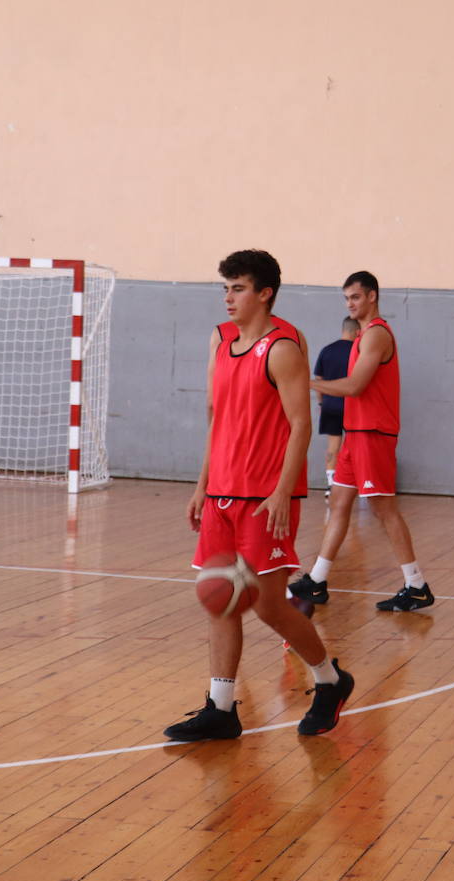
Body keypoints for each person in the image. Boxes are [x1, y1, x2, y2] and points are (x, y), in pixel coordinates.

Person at [165, 249, 354, 741]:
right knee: (221, 601)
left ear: (264, 292)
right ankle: (221, 708)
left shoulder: (282, 347)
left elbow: (301, 424)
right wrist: (202, 486)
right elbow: (216, 419)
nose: (228, 298)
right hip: (222, 494)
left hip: (265, 497)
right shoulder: (220, 338)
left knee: (269, 605)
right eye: (225, 288)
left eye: (238, 288)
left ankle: (330, 681)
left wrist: (280, 491)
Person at [289, 270, 434, 612]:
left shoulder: (377, 335)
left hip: (373, 434)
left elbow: (355, 386)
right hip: (355, 434)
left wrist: (308, 383)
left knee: (384, 509)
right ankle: (319, 581)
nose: (350, 304)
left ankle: (416, 585)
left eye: (355, 297)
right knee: (339, 504)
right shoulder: (361, 337)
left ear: (371, 296)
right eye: (346, 299)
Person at [314, 317, 360, 498]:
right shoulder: (358, 351)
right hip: (353, 406)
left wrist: (321, 402)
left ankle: (330, 486)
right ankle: (358, 485)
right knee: (356, 445)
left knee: (333, 446)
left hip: (330, 405)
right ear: (357, 332)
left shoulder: (327, 350)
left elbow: (318, 380)